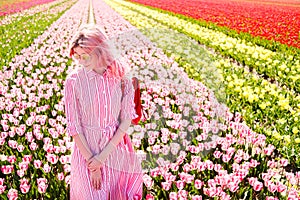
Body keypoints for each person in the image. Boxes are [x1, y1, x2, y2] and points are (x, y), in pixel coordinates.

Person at [63, 24, 143, 200]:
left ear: (99, 51)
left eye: (85, 56)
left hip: (115, 148)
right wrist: (94, 165)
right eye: (76, 56)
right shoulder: (74, 81)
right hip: (86, 150)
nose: (81, 62)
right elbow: (74, 127)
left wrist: (103, 158)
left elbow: (125, 121)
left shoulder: (122, 78)